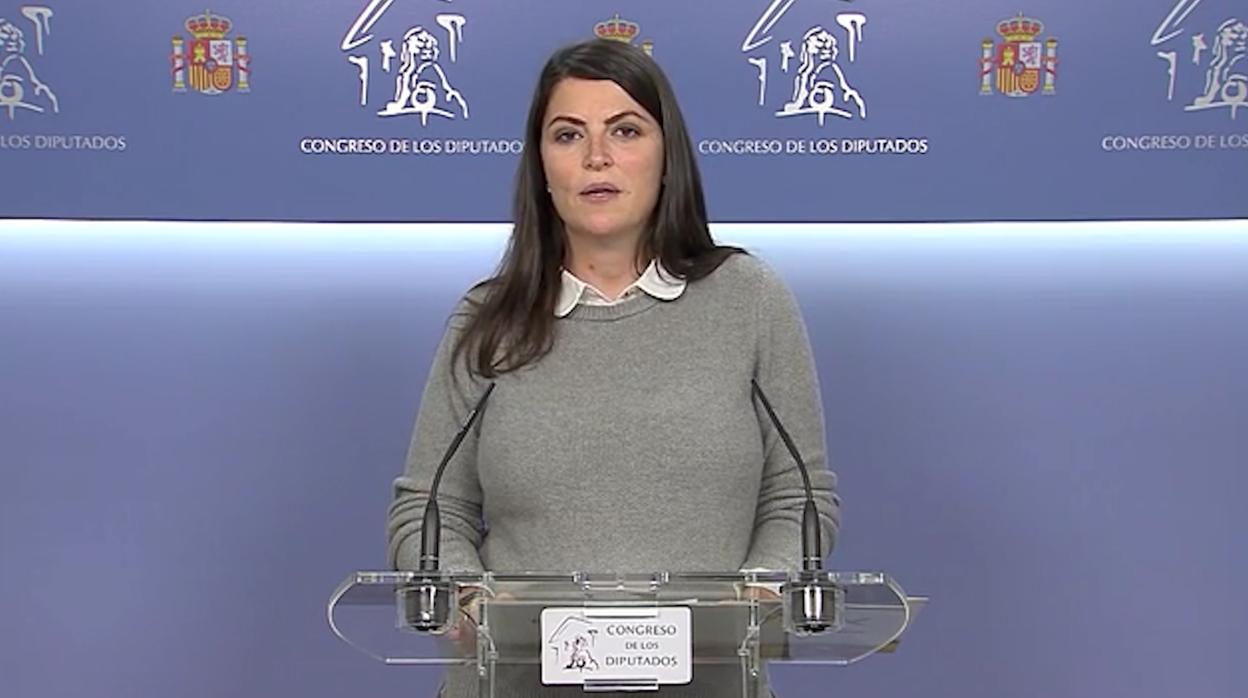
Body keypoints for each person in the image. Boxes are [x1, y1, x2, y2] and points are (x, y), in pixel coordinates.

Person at [386, 38, 840, 697]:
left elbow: (800, 497)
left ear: (667, 157)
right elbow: (428, 509)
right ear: (542, 166)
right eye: (568, 135)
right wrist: (470, 601)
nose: (596, 157)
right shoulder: (487, 319)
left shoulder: (750, 300)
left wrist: (759, 592)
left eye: (625, 131)